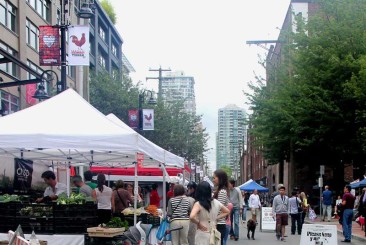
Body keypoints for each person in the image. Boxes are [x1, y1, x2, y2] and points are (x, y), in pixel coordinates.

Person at [213, 169, 230, 244]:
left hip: (219, 224)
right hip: (218, 223)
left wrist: (214, 218)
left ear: (220, 179)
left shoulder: (222, 192)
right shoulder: (220, 190)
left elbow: (220, 209)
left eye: (214, 178)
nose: (213, 180)